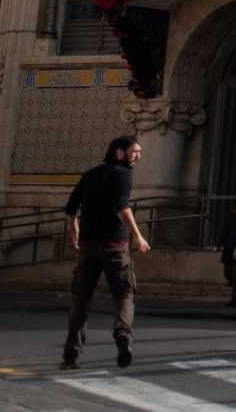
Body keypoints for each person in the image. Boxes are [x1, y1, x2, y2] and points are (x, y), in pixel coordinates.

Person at [61, 135, 149, 371]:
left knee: (81, 299)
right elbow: (122, 208)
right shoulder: (123, 175)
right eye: (134, 152)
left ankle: (71, 354)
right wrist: (138, 236)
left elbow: (70, 209)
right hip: (114, 245)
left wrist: (75, 233)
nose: (138, 157)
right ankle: (122, 333)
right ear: (119, 152)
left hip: (88, 246)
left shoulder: (90, 174)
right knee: (124, 293)